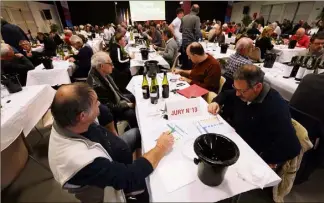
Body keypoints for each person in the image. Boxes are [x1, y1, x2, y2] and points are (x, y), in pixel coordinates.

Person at [48, 82, 174, 203]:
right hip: (110, 188)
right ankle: (137, 193)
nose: (99, 103)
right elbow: (129, 176)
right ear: (82, 116)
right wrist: (160, 148)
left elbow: (105, 112)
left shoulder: (67, 120)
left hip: (110, 152)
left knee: (137, 133)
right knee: (156, 185)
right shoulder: (80, 160)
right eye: (96, 103)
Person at [208, 65, 301, 166]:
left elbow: (291, 146)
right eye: (236, 88)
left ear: (258, 87)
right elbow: (226, 94)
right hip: (235, 139)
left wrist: (266, 161)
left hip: (252, 153)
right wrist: (216, 102)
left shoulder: (276, 108)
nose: (237, 94)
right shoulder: (244, 91)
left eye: (242, 91)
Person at [87, 52, 138, 128]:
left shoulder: (100, 72)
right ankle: (136, 130)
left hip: (116, 99)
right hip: (113, 108)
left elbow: (116, 91)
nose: (113, 66)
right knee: (132, 114)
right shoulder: (97, 85)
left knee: (136, 96)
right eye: (110, 63)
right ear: (102, 66)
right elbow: (110, 107)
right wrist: (128, 105)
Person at [180, 4, 201, 70]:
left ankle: (182, 76)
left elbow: (180, 30)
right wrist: (197, 41)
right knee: (191, 63)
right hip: (191, 43)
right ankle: (189, 78)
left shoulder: (184, 17)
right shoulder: (197, 18)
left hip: (184, 42)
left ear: (191, 9)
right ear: (198, 11)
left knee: (184, 61)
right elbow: (198, 32)